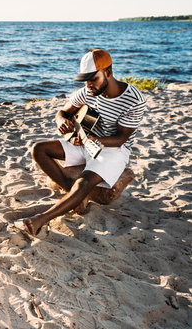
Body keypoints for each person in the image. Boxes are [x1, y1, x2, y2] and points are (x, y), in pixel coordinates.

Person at [24, 49, 146, 236]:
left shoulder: (133, 99)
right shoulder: (87, 91)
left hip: (113, 149)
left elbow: (122, 138)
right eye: (85, 80)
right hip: (84, 141)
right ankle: (74, 196)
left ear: (108, 73)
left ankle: (40, 220)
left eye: (93, 78)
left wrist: (92, 140)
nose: (88, 84)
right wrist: (62, 122)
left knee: (83, 183)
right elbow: (62, 112)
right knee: (39, 149)